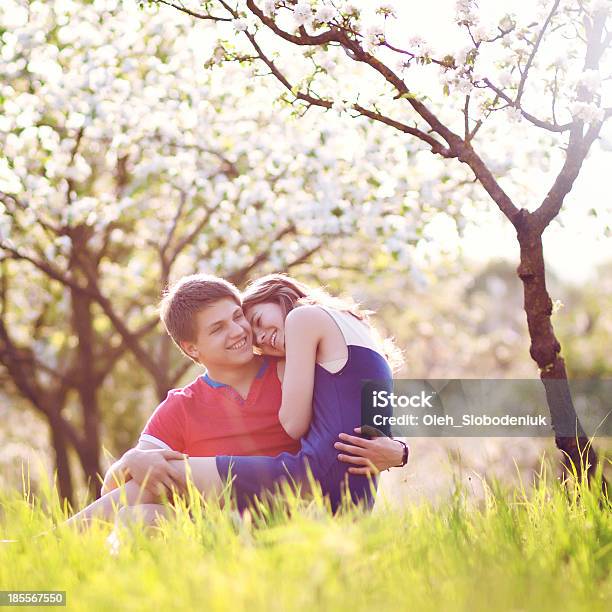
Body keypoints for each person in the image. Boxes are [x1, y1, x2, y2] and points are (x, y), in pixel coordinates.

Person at [67, 274, 406, 526]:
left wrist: (401, 451)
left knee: (164, 477)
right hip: (232, 521)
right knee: (136, 517)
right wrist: (131, 460)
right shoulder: (181, 405)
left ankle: (41, 543)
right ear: (192, 349)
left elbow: (358, 406)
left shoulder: (295, 367)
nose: (242, 332)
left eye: (240, 317)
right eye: (218, 329)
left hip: (302, 504)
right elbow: (115, 484)